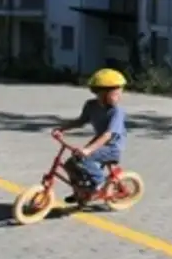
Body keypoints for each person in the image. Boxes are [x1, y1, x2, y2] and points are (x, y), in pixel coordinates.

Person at [51, 68, 128, 199]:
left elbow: (108, 135)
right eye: (115, 93)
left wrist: (88, 150)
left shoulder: (117, 112)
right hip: (98, 143)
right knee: (70, 164)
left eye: (120, 92)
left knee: (84, 159)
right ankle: (80, 190)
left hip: (112, 147)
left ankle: (100, 184)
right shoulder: (91, 105)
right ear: (101, 93)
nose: (119, 96)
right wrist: (62, 128)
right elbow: (81, 121)